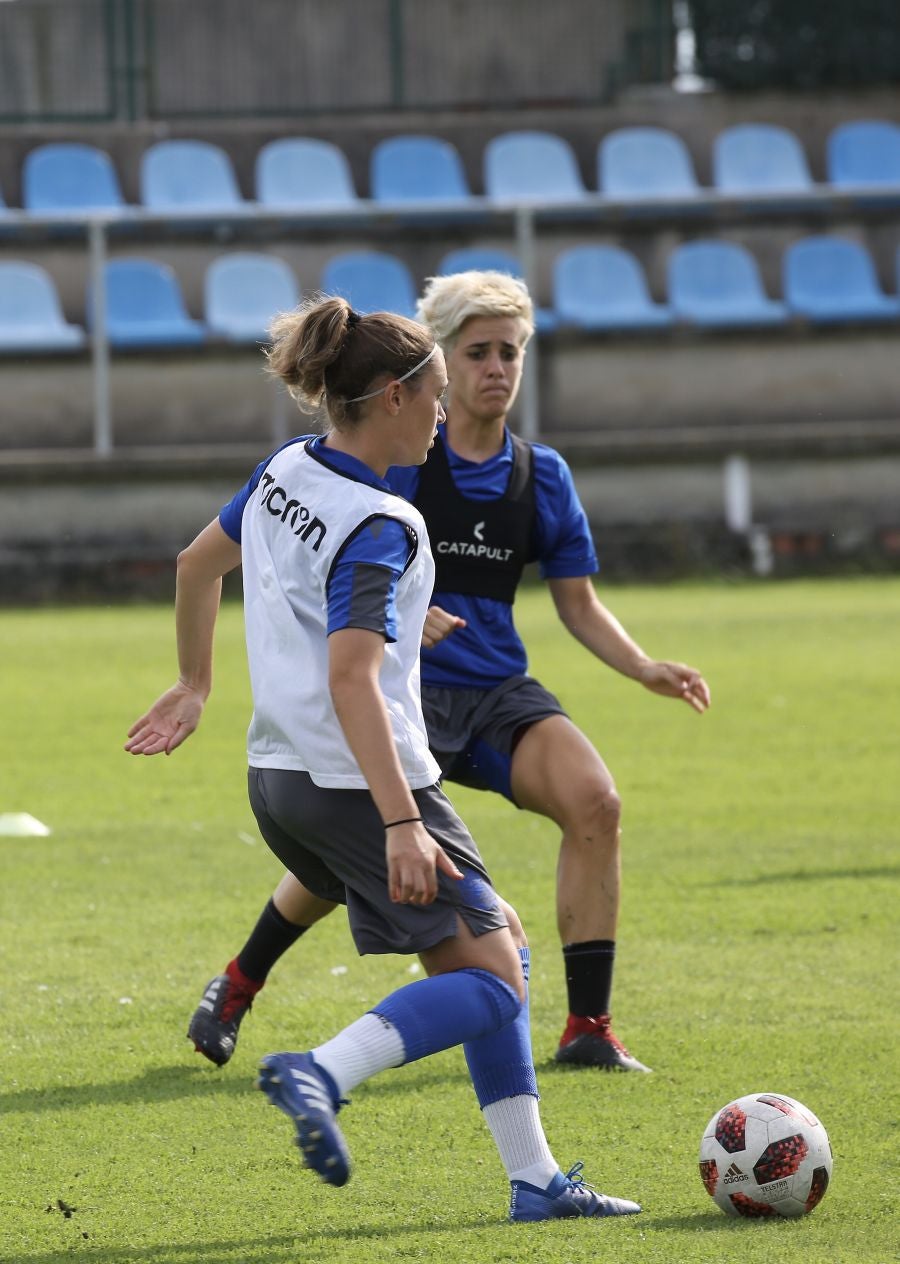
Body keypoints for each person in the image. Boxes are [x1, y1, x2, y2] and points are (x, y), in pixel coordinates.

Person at [126, 296, 642, 1222]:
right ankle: (321, 1072)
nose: (445, 415)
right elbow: (354, 678)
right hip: (363, 783)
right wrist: (403, 820)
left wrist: (195, 683)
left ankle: (533, 1182)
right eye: (438, 393)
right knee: (494, 977)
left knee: (498, 948)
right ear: (395, 396)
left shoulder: (287, 468)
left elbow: (194, 565)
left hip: (277, 781)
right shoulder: (386, 524)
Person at [178, 270, 711, 1074]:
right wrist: (388, 620)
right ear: (430, 375)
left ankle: (588, 1030)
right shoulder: (393, 459)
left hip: (491, 692)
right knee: (370, 867)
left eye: (512, 352)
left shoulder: (541, 475)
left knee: (594, 801)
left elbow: (577, 603)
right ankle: (254, 993)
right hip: (401, 701)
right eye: (478, 353)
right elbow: (345, 572)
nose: (497, 368)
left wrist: (642, 667)